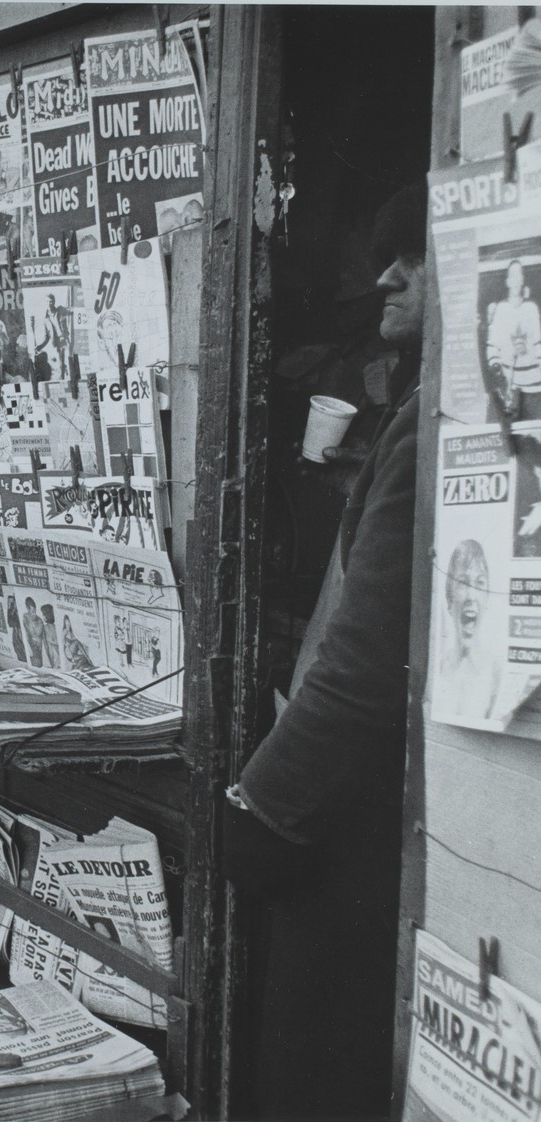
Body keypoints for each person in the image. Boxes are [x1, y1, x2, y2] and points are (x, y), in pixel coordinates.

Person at [221, 183, 428, 1121]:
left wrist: (259, 807)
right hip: (361, 817)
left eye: (414, 255)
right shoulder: (417, 407)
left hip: (346, 825)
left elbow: (369, 661)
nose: (390, 273)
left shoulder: (431, 423)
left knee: (309, 1074)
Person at [436, 539, 501, 719]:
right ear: (449, 599)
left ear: (487, 597)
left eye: (479, 583)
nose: (471, 596)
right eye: (463, 583)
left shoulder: (496, 673)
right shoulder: (438, 669)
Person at [485, 258, 541, 419]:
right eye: (513, 275)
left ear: (523, 279)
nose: (516, 279)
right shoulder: (501, 310)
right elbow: (492, 345)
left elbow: (538, 342)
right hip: (511, 386)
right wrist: (496, 365)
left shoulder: (531, 308)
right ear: (507, 281)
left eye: (519, 275)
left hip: (535, 385)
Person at [22, 597, 46, 667]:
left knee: (38, 665)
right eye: (32, 612)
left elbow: (41, 637)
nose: (34, 614)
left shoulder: (40, 620)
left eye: (35, 611)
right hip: (29, 648)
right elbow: (26, 634)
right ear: (27, 610)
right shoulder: (24, 617)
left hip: (38, 650)